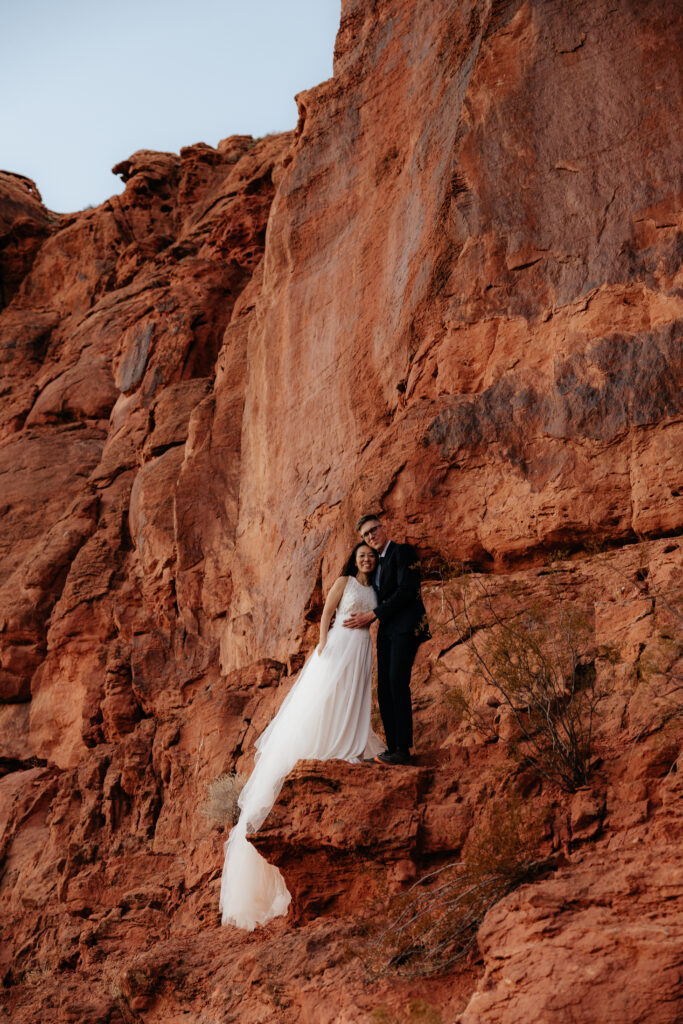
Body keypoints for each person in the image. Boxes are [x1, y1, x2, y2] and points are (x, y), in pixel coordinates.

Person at [219, 542, 384, 930]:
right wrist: (325, 645)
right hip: (340, 648)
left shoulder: (374, 586)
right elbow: (327, 615)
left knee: (353, 696)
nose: (366, 559)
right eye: (361, 554)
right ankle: (334, 743)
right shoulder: (344, 581)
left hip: (361, 651)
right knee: (325, 699)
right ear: (354, 558)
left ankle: (353, 737)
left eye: (370, 556)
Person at [344, 514, 430, 766]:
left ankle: (403, 749)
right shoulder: (375, 564)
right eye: (365, 535)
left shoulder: (403, 552)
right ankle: (392, 749)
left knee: (397, 682)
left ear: (384, 528)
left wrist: (373, 614)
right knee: (383, 689)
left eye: (373, 530)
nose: (371, 537)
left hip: (406, 627)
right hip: (386, 631)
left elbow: (407, 590)